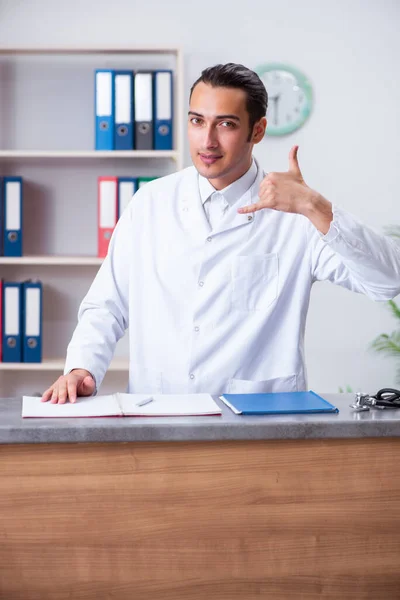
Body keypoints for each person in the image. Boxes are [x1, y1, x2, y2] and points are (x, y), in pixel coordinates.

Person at [42, 62, 400, 404]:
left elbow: (388, 280)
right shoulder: (150, 202)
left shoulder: (297, 215)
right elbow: (106, 305)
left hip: (263, 425)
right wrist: (81, 368)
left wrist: (316, 207)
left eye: (225, 124)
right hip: (159, 415)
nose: (207, 141)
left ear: (256, 130)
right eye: (197, 121)